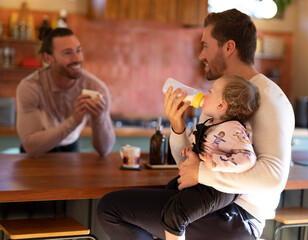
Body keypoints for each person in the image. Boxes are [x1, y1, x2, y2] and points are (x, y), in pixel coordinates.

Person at [97, 9, 295, 240]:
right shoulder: (218, 99)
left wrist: (203, 176)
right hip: (210, 203)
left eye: (205, 45)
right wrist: (178, 127)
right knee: (128, 207)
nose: (201, 55)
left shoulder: (269, 96)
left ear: (228, 48)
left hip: (238, 216)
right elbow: (188, 166)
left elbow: (274, 178)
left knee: (112, 209)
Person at [161, 75, 261, 240]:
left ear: (221, 104)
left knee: (175, 215)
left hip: (214, 188)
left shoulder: (233, 129)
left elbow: (247, 158)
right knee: (171, 189)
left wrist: (217, 163)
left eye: (210, 92)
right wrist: (192, 151)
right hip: (202, 181)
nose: (204, 94)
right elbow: (207, 146)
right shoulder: (212, 123)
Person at [16, 27, 115, 157]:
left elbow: (105, 150)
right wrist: (74, 120)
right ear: (48, 58)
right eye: (68, 53)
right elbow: (31, 147)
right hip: (39, 149)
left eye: (78, 50)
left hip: (71, 147)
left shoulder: (95, 88)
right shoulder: (31, 86)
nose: (77, 58)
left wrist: (99, 119)